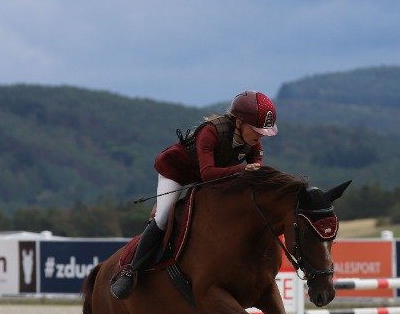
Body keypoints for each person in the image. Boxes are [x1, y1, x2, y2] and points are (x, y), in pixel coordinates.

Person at [109, 90, 278, 299]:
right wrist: (242, 170)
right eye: (256, 130)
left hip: (207, 179)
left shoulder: (253, 142)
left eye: (262, 131)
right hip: (176, 173)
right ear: (239, 122)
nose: (260, 135)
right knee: (162, 218)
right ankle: (130, 271)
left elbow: (253, 174)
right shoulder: (211, 132)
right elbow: (208, 174)